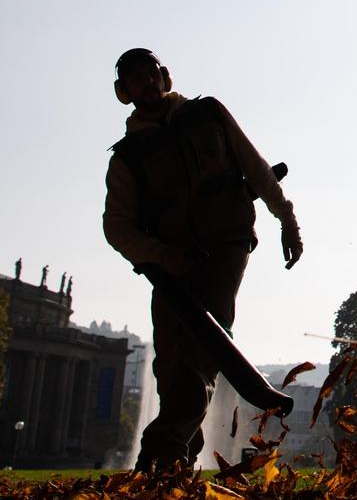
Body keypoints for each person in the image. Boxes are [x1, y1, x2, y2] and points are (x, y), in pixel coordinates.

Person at [102, 48, 303, 471]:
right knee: (171, 363)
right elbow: (117, 228)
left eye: (151, 74)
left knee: (200, 353)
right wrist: (162, 257)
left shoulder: (208, 113)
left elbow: (255, 167)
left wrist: (287, 219)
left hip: (225, 248)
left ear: (166, 76)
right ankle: (180, 464)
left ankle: (159, 458)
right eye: (135, 79)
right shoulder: (127, 157)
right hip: (169, 265)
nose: (147, 83)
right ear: (124, 92)